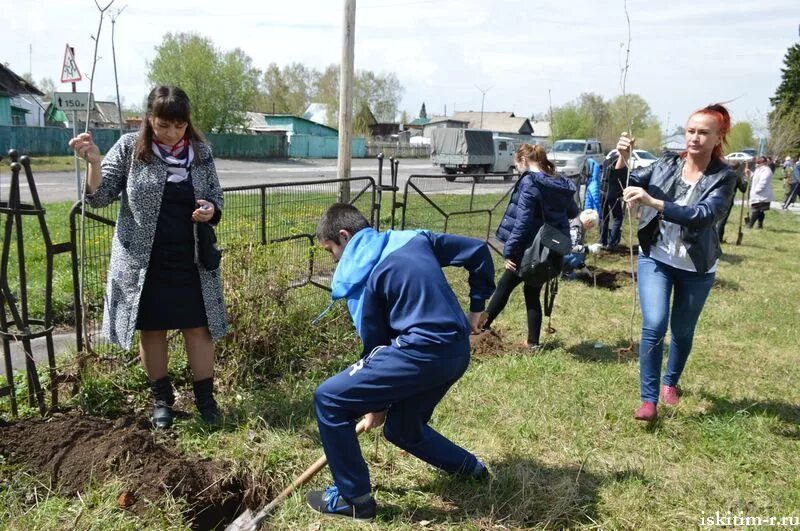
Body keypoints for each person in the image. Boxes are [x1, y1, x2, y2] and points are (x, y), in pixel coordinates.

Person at [307, 204, 495, 521]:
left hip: (420, 351)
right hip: (456, 351)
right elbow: (478, 251)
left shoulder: (358, 272)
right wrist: (477, 308)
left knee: (329, 399)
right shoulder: (414, 238)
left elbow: (376, 347)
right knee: (403, 429)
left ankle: (353, 499)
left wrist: (374, 405)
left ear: (344, 236)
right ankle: (472, 469)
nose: (335, 260)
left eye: (331, 251)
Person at [68, 86, 227, 429]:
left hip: (192, 258)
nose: (171, 134)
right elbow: (99, 197)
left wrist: (210, 209)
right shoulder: (130, 148)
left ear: (187, 123)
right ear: (149, 120)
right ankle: (162, 401)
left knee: (198, 327)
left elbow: (216, 196)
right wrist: (94, 162)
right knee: (152, 329)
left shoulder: (201, 153)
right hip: (144, 261)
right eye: (163, 125)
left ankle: (206, 400)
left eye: (179, 126)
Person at [614, 103, 738, 422]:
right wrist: (623, 159)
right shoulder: (666, 163)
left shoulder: (724, 178)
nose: (694, 138)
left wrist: (654, 202)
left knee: (681, 331)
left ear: (718, 137)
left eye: (703, 133)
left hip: (697, 268)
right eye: (691, 131)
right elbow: (626, 182)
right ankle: (648, 400)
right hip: (656, 257)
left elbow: (704, 216)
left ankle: (671, 382)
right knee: (654, 324)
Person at [482, 144, 579, 351]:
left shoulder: (529, 181)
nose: (517, 169)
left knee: (505, 287)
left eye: (517, 165)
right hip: (550, 250)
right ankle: (533, 343)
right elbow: (572, 212)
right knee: (532, 291)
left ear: (524, 160)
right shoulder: (560, 182)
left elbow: (522, 223)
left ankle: (480, 328)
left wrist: (510, 252)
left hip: (528, 249)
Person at [562, 209, 600, 279]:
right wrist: (589, 249)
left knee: (582, 250)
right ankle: (565, 273)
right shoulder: (576, 227)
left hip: (559, 249)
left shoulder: (579, 221)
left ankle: (565, 269)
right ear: (588, 222)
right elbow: (572, 247)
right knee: (582, 252)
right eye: (592, 225)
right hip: (556, 253)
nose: (591, 228)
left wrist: (583, 267)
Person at [599, 151, 626, 249]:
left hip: (602, 190)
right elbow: (621, 179)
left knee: (603, 218)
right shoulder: (619, 161)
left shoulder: (607, 159)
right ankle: (612, 243)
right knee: (617, 218)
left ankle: (602, 241)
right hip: (612, 193)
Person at [716, 160, 747, 244]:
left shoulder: (721, 172)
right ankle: (718, 238)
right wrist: (745, 179)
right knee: (722, 219)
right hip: (727, 200)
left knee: (715, 219)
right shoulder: (736, 176)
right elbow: (743, 189)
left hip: (715, 198)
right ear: (738, 167)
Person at [746, 157, 774, 229]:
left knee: (756, 210)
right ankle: (760, 225)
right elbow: (754, 178)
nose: (757, 164)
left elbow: (763, 182)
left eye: (758, 163)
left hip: (762, 194)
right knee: (760, 211)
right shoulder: (758, 170)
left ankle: (750, 225)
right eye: (756, 162)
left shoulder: (766, 171)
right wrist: (749, 173)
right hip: (757, 194)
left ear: (763, 163)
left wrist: (756, 191)